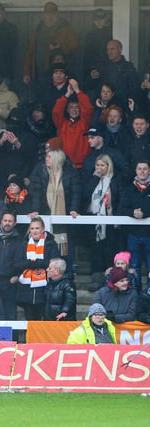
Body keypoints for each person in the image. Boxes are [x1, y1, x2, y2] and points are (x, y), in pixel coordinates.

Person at [83, 153, 122, 291]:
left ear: (108, 166)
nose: (100, 168)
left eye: (102, 165)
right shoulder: (91, 179)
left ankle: (109, 279)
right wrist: (95, 179)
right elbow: (85, 195)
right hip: (93, 220)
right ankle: (96, 279)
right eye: (97, 165)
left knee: (109, 248)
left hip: (110, 220)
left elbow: (119, 199)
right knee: (95, 249)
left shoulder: (115, 181)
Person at [22, 2, 79, 86]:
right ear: (44, 14)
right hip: (39, 72)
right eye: (48, 14)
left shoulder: (65, 29)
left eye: (53, 14)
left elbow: (75, 46)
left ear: (57, 15)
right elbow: (30, 52)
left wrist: (61, 46)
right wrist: (26, 72)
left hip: (58, 73)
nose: (50, 17)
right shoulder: (37, 30)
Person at [17, 216, 60, 320]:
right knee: (29, 320)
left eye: (37, 228)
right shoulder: (23, 244)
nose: (34, 231)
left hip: (44, 288)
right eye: (32, 228)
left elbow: (53, 263)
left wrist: (32, 263)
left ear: (43, 229)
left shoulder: (50, 244)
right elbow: (17, 264)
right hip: (27, 290)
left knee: (42, 321)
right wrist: (36, 263)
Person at [117, 160, 150, 287]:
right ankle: (135, 294)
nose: (142, 171)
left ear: (149, 171)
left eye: (145, 169)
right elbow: (121, 209)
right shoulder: (129, 188)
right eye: (139, 169)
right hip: (133, 234)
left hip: (149, 234)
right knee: (134, 266)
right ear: (135, 171)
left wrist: (145, 214)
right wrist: (132, 212)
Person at [51, 78, 93, 168]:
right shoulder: (62, 123)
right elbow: (56, 111)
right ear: (67, 110)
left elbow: (88, 109)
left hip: (82, 166)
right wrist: (67, 95)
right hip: (65, 165)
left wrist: (77, 91)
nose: (74, 110)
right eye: (71, 107)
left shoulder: (84, 123)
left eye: (76, 107)